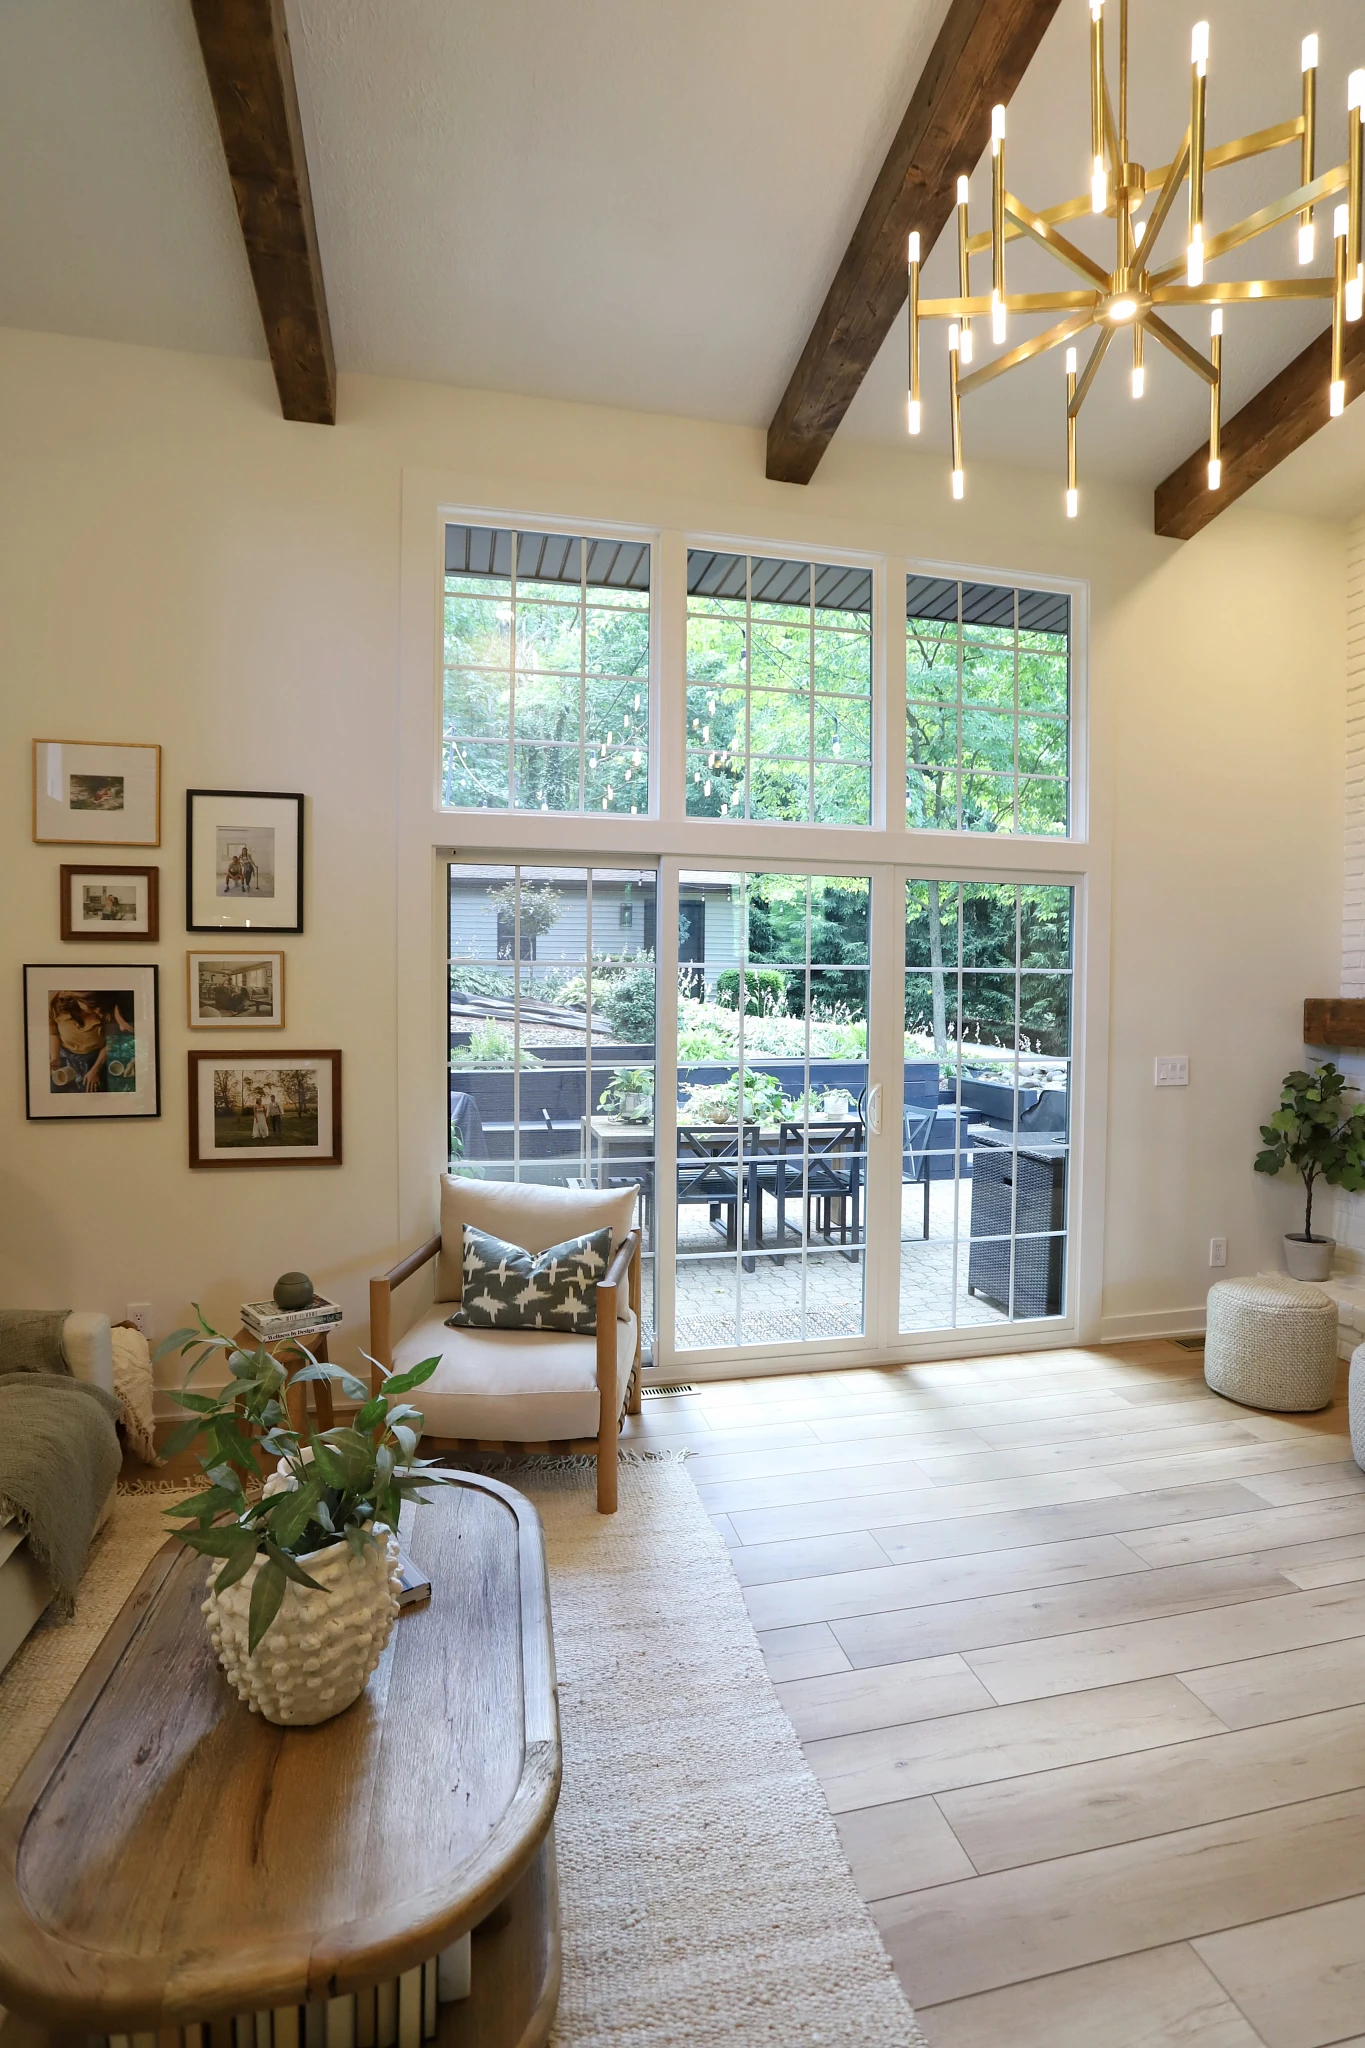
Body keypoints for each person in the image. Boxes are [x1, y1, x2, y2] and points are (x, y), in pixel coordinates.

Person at [49, 992, 109, 1092]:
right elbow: (53, 1033)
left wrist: (95, 1070)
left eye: (101, 1005)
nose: (99, 1011)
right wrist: (55, 1057)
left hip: (96, 1058)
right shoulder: (55, 1002)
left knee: (92, 1094)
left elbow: (111, 1042)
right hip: (64, 1054)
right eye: (92, 1006)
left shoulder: (107, 1008)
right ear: (77, 998)